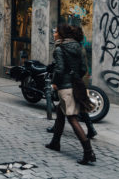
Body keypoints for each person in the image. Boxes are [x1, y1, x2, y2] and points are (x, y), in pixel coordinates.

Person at [45, 24, 96, 165]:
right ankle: (55, 143)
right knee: (60, 113)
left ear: (61, 35)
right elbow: (83, 68)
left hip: (64, 87)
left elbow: (60, 69)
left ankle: (88, 152)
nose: (54, 33)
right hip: (75, 85)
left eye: (56, 32)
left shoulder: (59, 49)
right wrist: (75, 79)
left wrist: (55, 83)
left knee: (72, 118)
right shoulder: (78, 47)